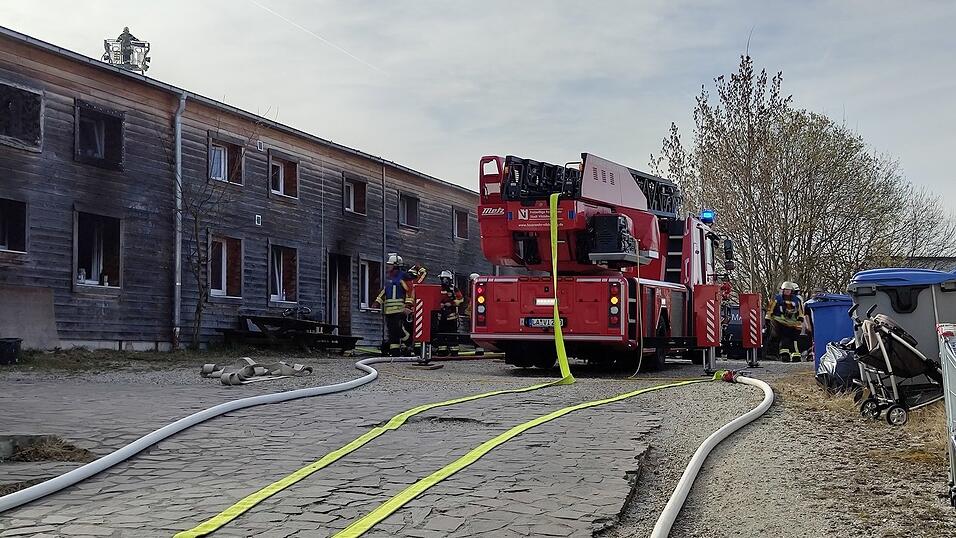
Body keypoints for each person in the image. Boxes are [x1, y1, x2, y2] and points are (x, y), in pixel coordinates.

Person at [371, 253, 414, 356]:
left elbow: (410, 291)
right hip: (388, 310)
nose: (388, 266)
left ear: (395, 265)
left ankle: (408, 341)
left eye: (390, 265)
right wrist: (377, 302)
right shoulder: (389, 278)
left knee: (398, 329)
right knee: (392, 332)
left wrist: (408, 306)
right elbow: (384, 292)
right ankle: (395, 352)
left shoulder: (403, 276)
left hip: (399, 310)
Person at [766, 281, 805, 363]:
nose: (787, 291)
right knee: (784, 339)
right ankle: (785, 355)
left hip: (794, 324)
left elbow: (800, 310)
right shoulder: (776, 299)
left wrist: (801, 318)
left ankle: (796, 356)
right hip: (781, 323)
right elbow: (770, 309)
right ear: (782, 290)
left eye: (789, 290)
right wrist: (768, 318)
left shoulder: (797, 300)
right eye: (785, 290)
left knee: (795, 340)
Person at [434, 270, 464, 356]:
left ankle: (454, 351)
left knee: (452, 334)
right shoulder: (438, 288)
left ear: (449, 280)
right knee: (441, 334)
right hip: (441, 316)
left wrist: (451, 303)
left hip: (451, 317)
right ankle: (442, 351)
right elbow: (435, 300)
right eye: (443, 279)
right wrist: (439, 305)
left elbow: (460, 300)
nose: (444, 281)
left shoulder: (454, 289)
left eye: (445, 279)